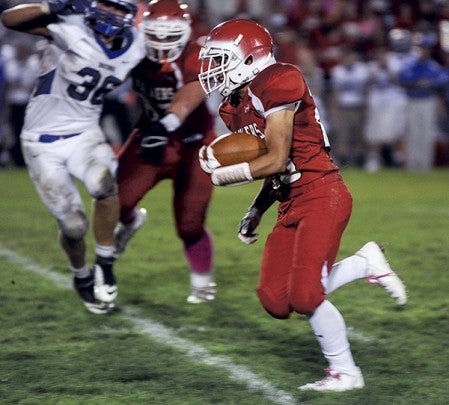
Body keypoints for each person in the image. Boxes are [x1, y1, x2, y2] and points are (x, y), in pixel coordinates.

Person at [198, 19, 407, 392]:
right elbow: (272, 170)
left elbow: (278, 159)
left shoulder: (279, 80)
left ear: (249, 57)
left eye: (219, 59)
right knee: (275, 300)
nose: (212, 69)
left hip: (321, 193)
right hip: (288, 201)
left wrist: (223, 176)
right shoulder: (233, 108)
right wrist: (257, 209)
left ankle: (345, 372)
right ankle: (364, 263)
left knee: (306, 294)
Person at [1, 0, 146, 314]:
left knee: (104, 184)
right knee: (74, 227)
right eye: (108, 5)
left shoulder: (137, 45)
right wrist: (52, 6)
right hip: (42, 143)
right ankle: (82, 276)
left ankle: (105, 263)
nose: (113, 14)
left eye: (120, 9)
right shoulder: (72, 28)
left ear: (132, 14)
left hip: (86, 134)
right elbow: (9, 19)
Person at [113, 0, 217, 303]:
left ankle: (203, 281)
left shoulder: (198, 52)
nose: (161, 43)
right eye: (155, 36)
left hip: (194, 142)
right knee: (113, 202)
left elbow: (191, 92)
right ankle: (131, 221)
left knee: (190, 224)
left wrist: (168, 122)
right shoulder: (131, 45)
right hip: (150, 136)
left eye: (170, 36)